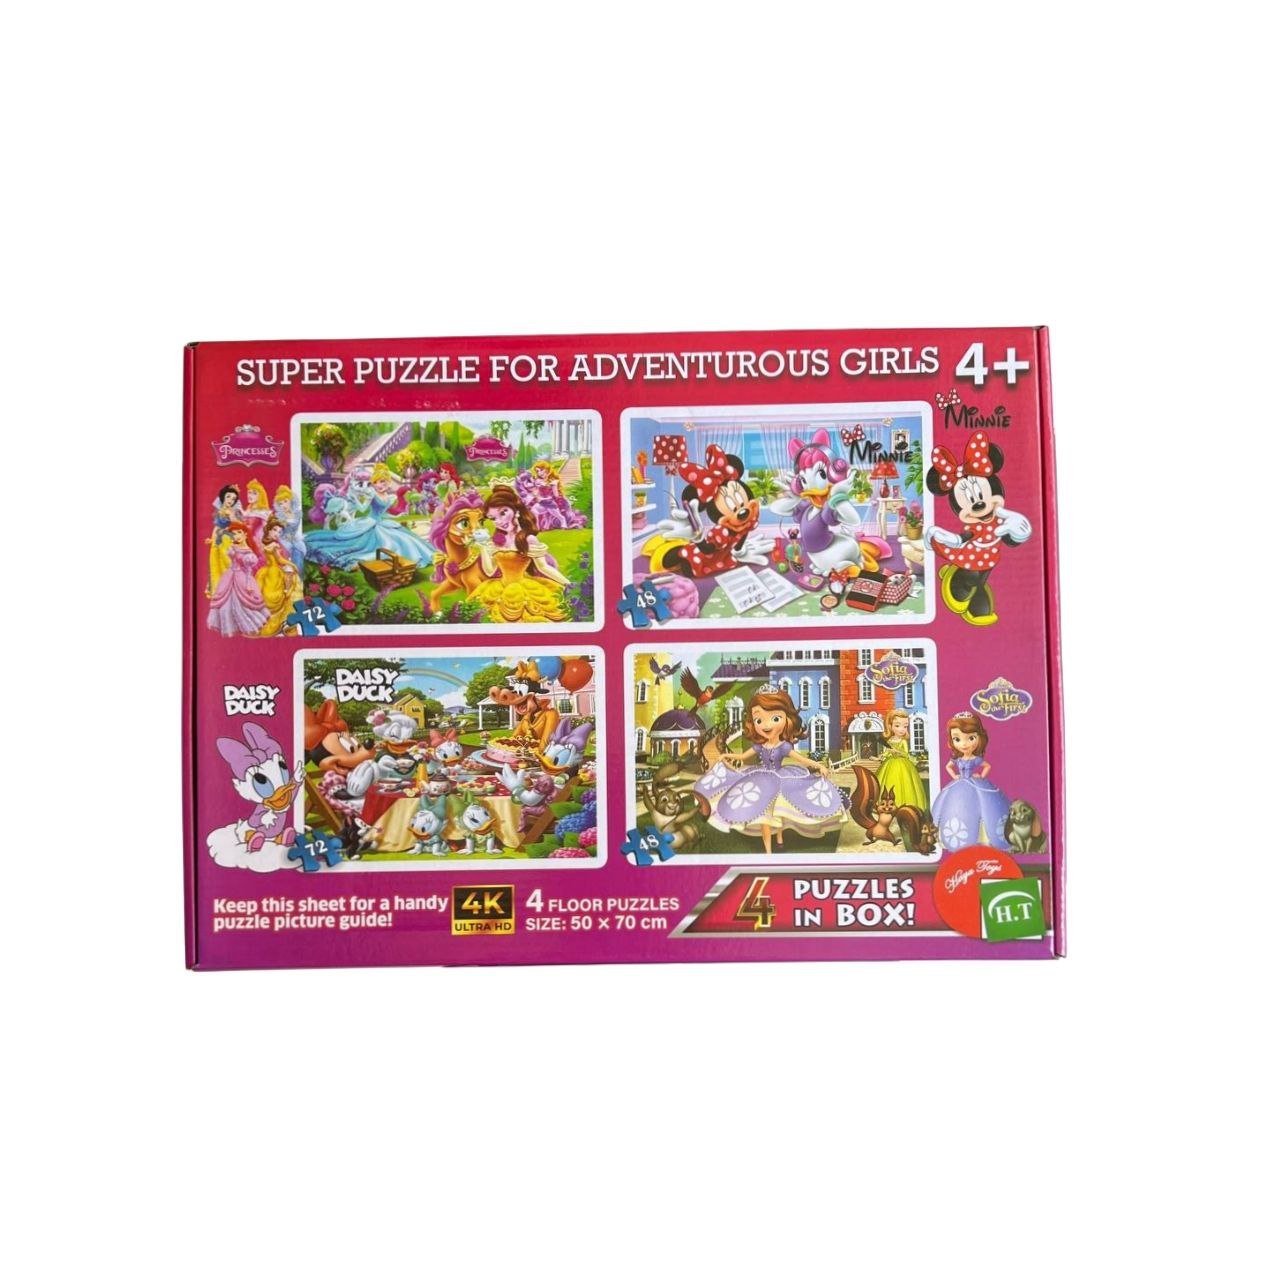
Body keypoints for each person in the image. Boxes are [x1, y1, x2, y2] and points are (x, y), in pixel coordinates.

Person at [693, 687, 845, 854]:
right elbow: (743, 757)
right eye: (758, 720)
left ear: (787, 720)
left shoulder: (784, 746)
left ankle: (779, 840)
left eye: (775, 718)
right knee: (765, 817)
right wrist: (725, 755)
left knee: (777, 812)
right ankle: (769, 851)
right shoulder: (760, 746)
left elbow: (801, 759)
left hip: (780, 778)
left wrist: (820, 766)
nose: (766, 725)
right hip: (761, 780)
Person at [468, 484, 571, 623]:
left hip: (523, 589)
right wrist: (483, 547)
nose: (499, 521)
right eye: (493, 518)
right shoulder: (497, 541)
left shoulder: (529, 539)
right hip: (498, 588)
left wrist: (569, 584)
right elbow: (490, 571)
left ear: (516, 510)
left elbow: (543, 567)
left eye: (503, 513)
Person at [932, 711, 1010, 851]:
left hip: (976, 783)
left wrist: (981, 776)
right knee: (952, 805)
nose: (964, 744)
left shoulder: (976, 759)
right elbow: (948, 767)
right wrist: (955, 776)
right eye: (957, 739)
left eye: (971, 738)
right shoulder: (957, 759)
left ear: (979, 738)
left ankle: (986, 838)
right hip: (959, 783)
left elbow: (987, 766)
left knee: (986, 806)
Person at [207, 522, 269, 637]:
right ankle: (230, 625)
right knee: (225, 603)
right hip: (229, 576)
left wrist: (249, 585)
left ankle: (247, 626)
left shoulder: (249, 552)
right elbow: (229, 556)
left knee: (244, 603)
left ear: (245, 534)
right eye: (234, 534)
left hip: (243, 578)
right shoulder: (232, 547)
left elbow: (248, 570)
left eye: (239, 532)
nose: (237, 536)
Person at [876, 709, 928, 810]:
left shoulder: (903, 741)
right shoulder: (890, 741)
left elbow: (906, 754)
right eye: (897, 726)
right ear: (890, 726)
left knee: (905, 783)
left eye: (905, 726)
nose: (902, 729)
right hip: (889, 764)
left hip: (903, 764)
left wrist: (897, 751)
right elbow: (886, 753)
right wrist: (879, 757)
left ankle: (905, 805)